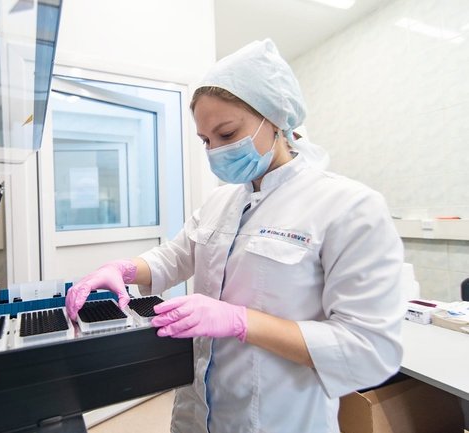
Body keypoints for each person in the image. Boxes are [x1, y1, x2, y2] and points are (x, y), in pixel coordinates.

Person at [65, 39, 404, 433]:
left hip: (278, 419)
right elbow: (175, 257)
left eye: (227, 134)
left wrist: (241, 321)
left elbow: (369, 348)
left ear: (276, 119)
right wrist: (123, 269)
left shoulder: (348, 206)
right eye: (206, 140)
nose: (215, 151)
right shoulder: (221, 201)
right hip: (195, 411)